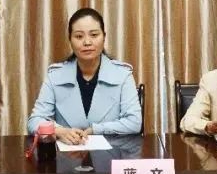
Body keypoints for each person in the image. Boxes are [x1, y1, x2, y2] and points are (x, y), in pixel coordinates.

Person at [27, 8, 142, 144]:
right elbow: (34, 121)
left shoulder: (122, 75)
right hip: (67, 153)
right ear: (70, 40)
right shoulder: (55, 76)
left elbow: (134, 122)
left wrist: (95, 129)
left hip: (112, 153)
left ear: (104, 37)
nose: (87, 42)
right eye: (79, 36)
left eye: (94, 35)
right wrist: (59, 131)